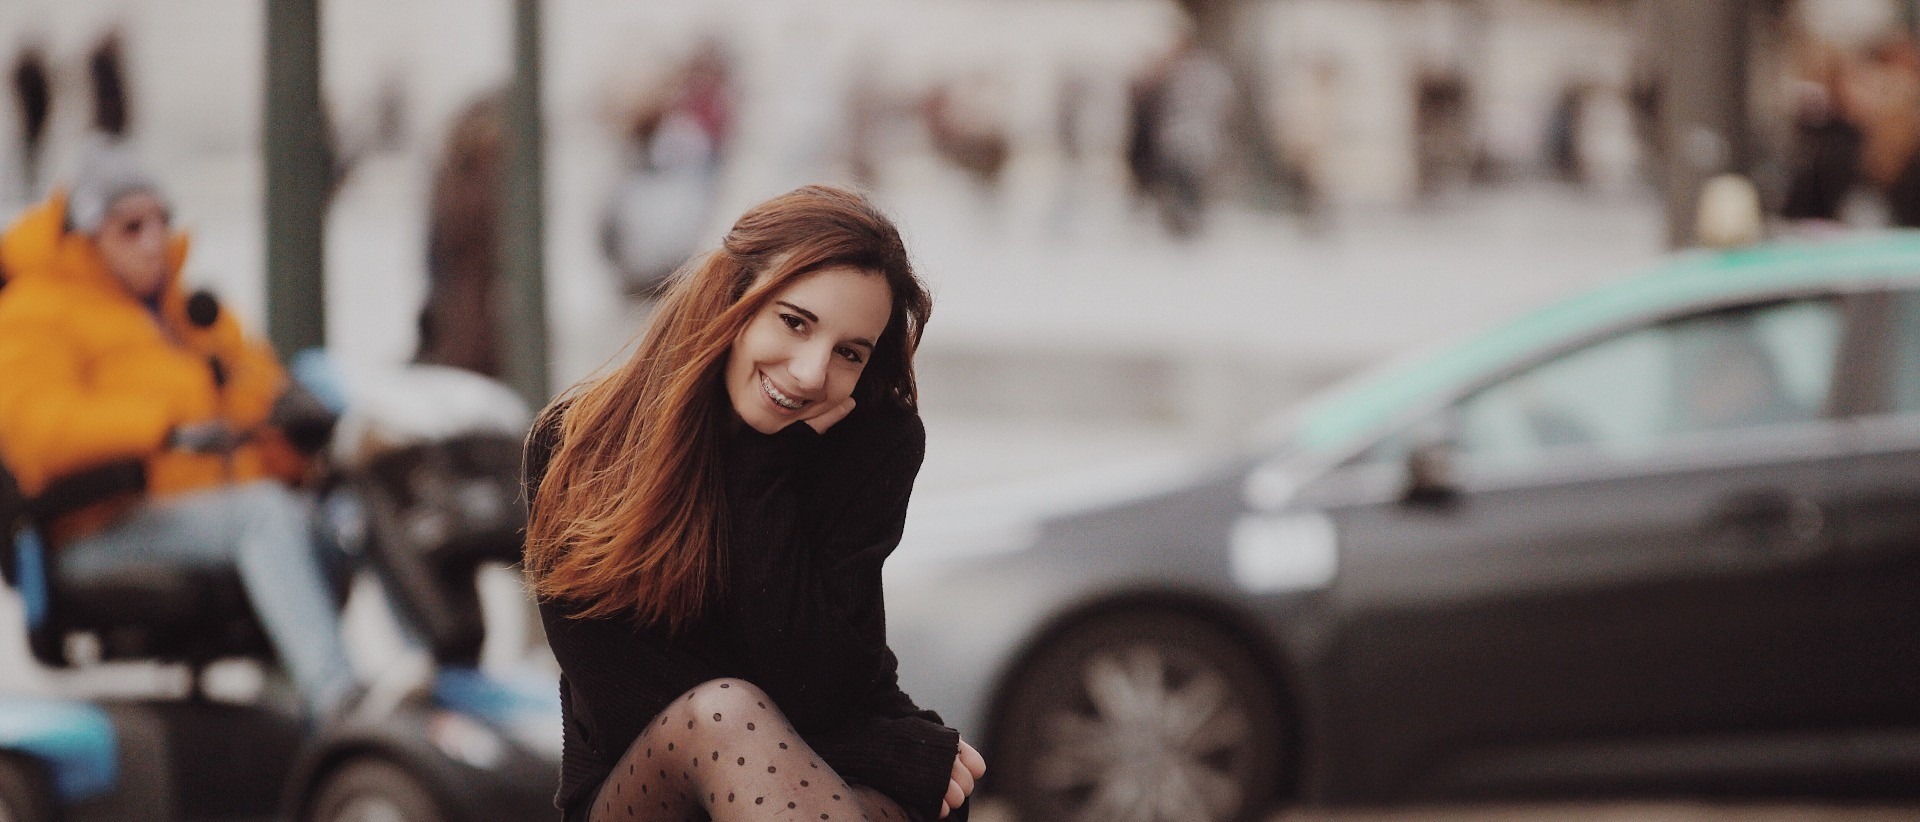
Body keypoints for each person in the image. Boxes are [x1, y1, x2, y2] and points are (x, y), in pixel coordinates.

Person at [524, 185, 985, 822]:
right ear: (732, 298)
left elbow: (825, 683)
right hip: (643, 794)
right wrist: (888, 749)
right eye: (795, 322)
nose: (811, 373)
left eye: (849, 353)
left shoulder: (871, 443)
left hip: (812, 780)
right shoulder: (582, 442)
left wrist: (761, 464)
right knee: (724, 713)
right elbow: (629, 704)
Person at [0, 148, 358, 721]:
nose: (153, 241)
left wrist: (293, 428)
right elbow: (37, 432)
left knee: (346, 516)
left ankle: (322, 714)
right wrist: (162, 430)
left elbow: (253, 401)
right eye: (130, 227)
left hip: (202, 512)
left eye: (161, 221)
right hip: (98, 528)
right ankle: (337, 701)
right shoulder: (34, 311)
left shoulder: (190, 313)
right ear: (87, 235)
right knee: (262, 515)